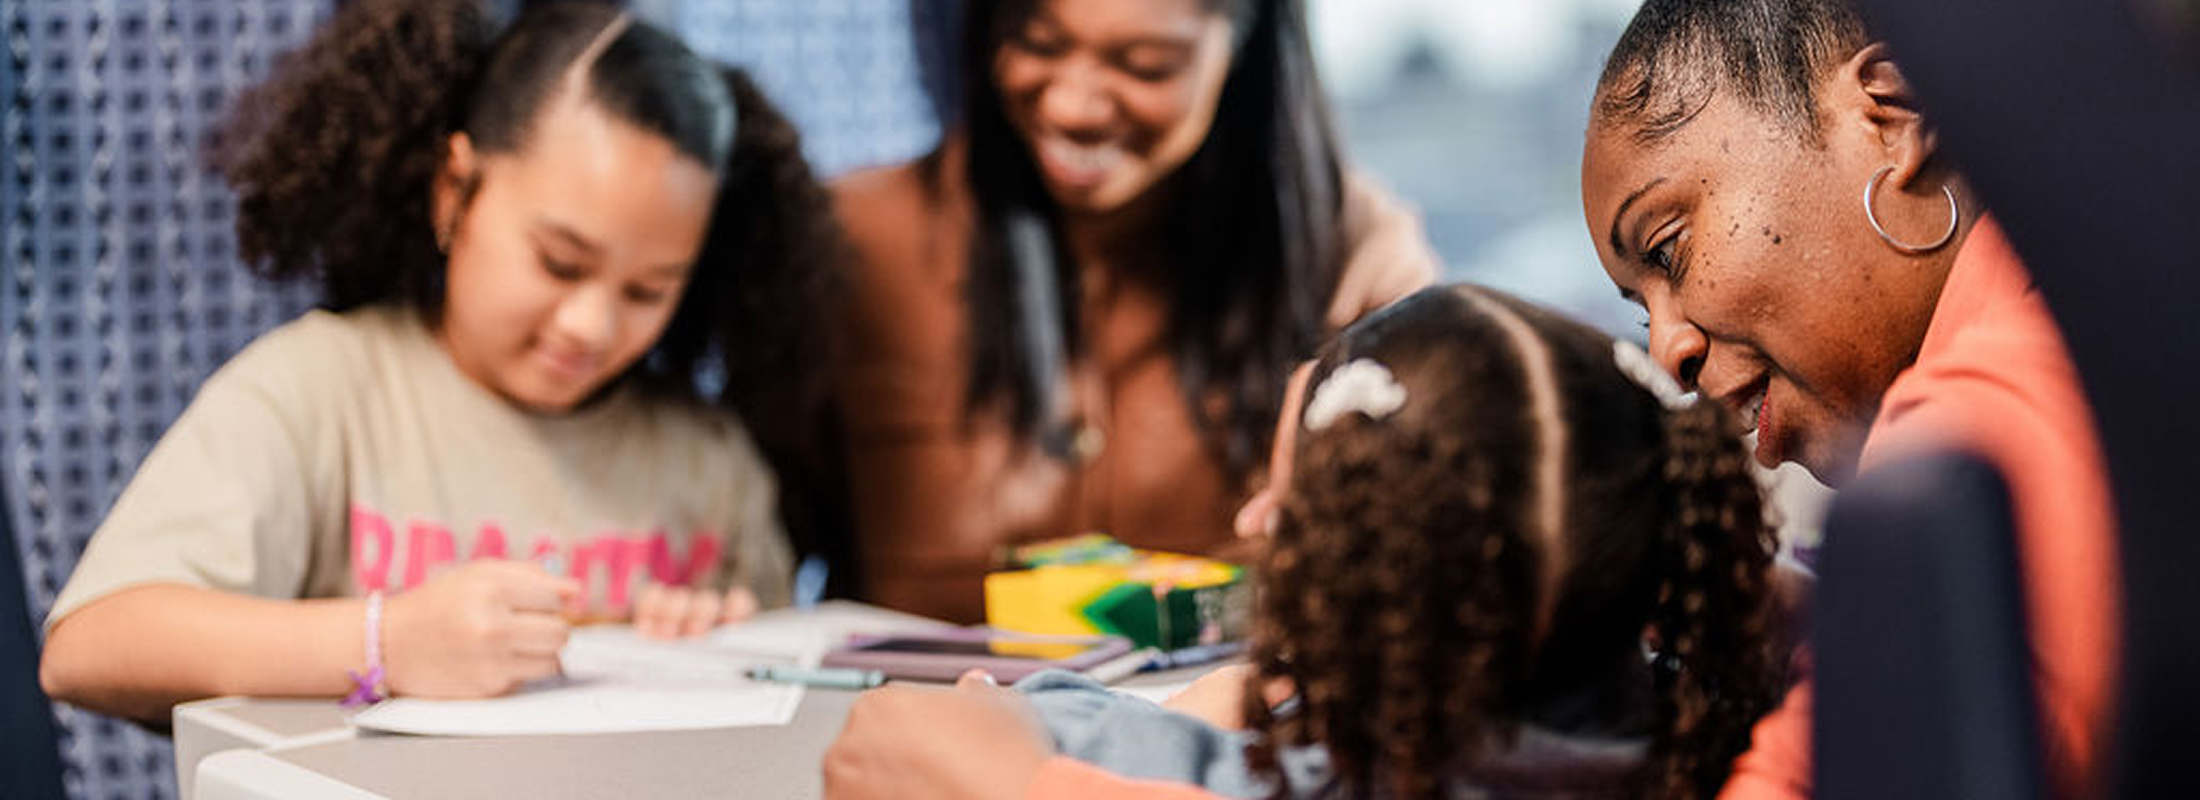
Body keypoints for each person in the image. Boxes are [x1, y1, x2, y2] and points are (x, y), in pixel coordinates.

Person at [38, 0, 843, 722]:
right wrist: (386, 641)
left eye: (648, 291)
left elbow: (771, 699)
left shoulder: (708, 462)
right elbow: (89, 645)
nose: (591, 325)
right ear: (453, 191)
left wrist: (711, 637)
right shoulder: (319, 390)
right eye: (559, 263)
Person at [823, 285, 1791, 800]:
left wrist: (1213, 705)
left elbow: (914, 737)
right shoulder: (1739, 735)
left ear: (1362, 579)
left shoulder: (1192, 767)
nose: (1250, 521)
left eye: (1284, 508)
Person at [1577, 0, 2118, 796]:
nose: (1668, 352)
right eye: (1640, 308)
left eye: (1670, 247)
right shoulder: (2078, 301)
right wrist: (1826, 621)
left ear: (1891, 116)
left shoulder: (1980, 423)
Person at [831, 0, 1440, 621]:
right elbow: (762, 521)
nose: (1072, 107)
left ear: (1243, 50)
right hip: (918, 712)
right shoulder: (852, 242)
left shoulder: (1347, 248)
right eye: (1038, 45)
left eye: (1147, 67)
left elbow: (1457, 499)